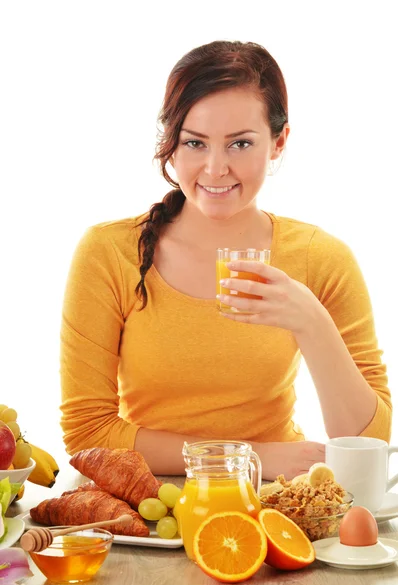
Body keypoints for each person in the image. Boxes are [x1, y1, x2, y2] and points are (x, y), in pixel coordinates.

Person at [60, 40, 391, 479]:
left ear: (278, 142)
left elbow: (369, 444)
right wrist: (248, 456)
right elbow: (88, 432)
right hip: (149, 499)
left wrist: (311, 322)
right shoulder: (109, 252)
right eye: (195, 142)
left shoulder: (321, 258)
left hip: (273, 502)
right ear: (171, 143)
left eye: (239, 144)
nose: (215, 168)